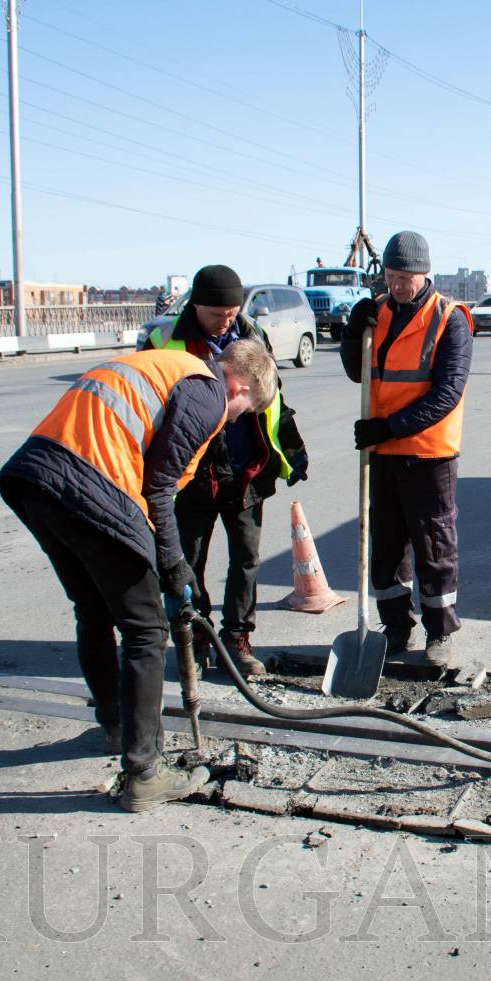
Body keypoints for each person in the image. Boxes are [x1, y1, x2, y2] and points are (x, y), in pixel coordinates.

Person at [0, 339, 277, 811]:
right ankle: (144, 772)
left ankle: (115, 726)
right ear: (239, 384)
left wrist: (161, 559)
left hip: (35, 479)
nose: (233, 421)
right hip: (89, 483)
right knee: (146, 630)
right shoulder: (207, 391)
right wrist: (173, 566)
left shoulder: (162, 367)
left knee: (92, 608)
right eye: (243, 409)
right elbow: (159, 486)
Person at [143, 264, 308, 677]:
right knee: (189, 562)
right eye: (219, 314)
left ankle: (237, 638)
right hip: (192, 475)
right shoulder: (166, 341)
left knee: (247, 561)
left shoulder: (252, 334)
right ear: (196, 305)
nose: (227, 320)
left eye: (233, 312)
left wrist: (292, 447)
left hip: (245, 471)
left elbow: (272, 399)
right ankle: (197, 639)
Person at [341, 231, 473, 668]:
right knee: (386, 545)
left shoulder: (449, 318)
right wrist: (351, 330)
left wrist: (388, 427)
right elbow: (355, 371)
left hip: (428, 452)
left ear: (425, 274)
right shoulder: (377, 312)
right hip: (382, 453)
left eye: (406, 278)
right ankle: (395, 627)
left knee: (433, 545)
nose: (397, 285)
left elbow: (446, 394)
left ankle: (440, 634)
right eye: (391, 276)